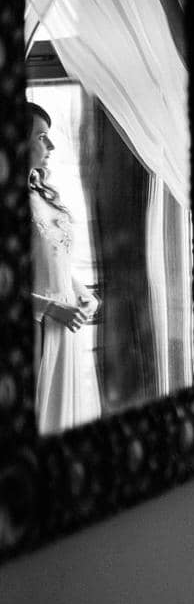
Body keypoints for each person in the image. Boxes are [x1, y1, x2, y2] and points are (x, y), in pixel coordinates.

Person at [27, 100, 101, 433]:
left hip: (64, 321)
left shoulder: (41, 193)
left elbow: (54, 258)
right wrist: (50, 307)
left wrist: (82, 293)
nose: (51, 145)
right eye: (41, 136)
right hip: (37, 323)